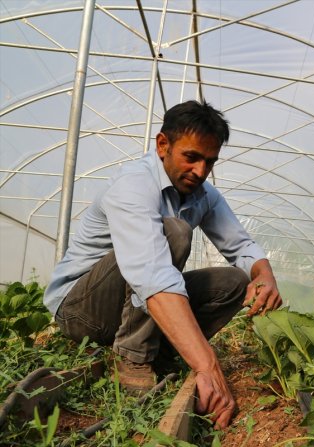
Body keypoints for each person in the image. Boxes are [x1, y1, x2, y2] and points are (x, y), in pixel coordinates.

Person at [44, 99, 282, 429]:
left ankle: (163, 352)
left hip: (127, 309)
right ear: (162, 145)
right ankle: (133, 356)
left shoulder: (204, 195)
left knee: (235, 282)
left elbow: (242, 246)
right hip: (81, 311)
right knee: (173, 231)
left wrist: (264, 274)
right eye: (191, 157)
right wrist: (208, 366)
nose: (200, 171)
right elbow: (152, 275)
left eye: (210, 162)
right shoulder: (134, 184)